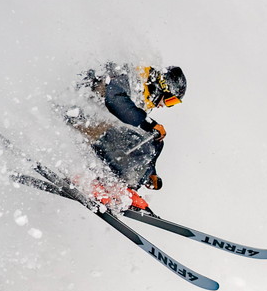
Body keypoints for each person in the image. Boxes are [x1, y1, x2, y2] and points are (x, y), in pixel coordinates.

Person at [69, 63, 187, 195]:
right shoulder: (132, 76)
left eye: (172, 104)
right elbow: (116, 101)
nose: (164, 105)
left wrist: (148, 172)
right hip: (76, 112)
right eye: (169, 100)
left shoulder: (143, 96)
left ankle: (126, 183)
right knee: (144, 142)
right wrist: (149, 123)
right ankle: (109, 183)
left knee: (155, 142)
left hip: (92, 123)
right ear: (162, 86)